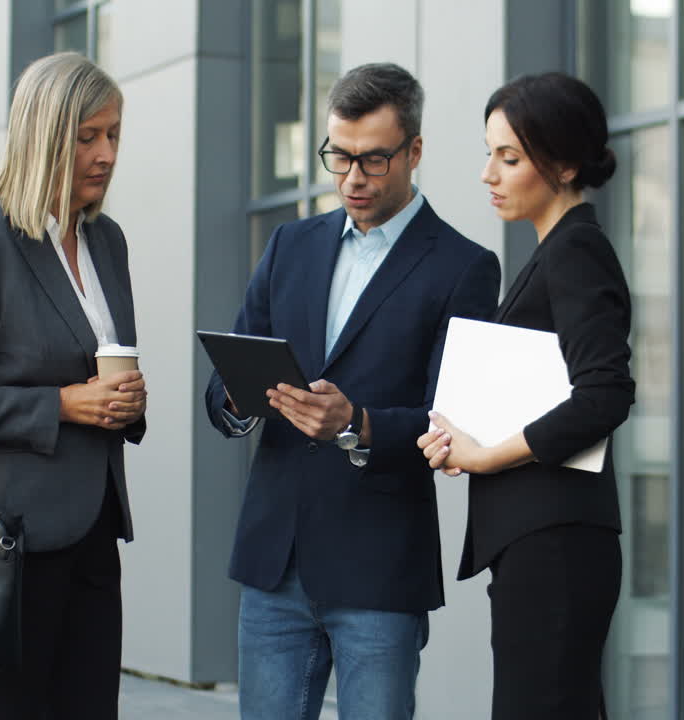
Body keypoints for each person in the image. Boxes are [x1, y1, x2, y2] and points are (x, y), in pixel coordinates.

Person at [204, 62, 501, 720]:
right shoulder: (289, 245)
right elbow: (225, 383)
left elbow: (453, 420)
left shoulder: (464, 268)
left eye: (372, 160)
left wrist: (358, 422)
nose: (352, 179)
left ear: (414, 151)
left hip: (379, 570)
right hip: (274, 562)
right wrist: (236, 396)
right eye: (338, 157)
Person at [0, 52, 146, 720]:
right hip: (10, 545)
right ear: (44, 134)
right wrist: (64, 404)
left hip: (95, 531)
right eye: (88, 136)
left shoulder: (108, 243)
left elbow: (101, 364)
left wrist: (126, 404)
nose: (106, 153)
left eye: (115, 134)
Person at [417, 72, 635, 719]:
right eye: (490, 153)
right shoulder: (555, 252)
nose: (490, 173)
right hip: (543, 541)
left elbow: (605, 395)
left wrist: (486, 457)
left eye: (509, 157)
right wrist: (462, 436)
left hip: (557, 544)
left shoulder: (575, 251)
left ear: (564, 163)